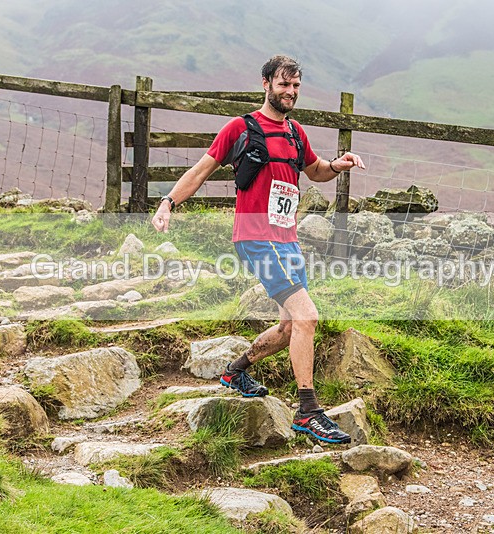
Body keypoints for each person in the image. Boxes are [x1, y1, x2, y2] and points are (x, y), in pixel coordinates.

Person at [151, 55, 365, 444]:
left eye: (296, 86)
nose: (291, 92)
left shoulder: (296, 133)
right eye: (284, 84)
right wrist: (168, 202)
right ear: (266, 84)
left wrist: (337, 165)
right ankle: (308, 411)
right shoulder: (240, 128)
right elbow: (200, 171)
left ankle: (235, 371)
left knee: (289, 327)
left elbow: (314, 170)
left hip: (288, 240)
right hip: (256, 239)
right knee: (307, 317)